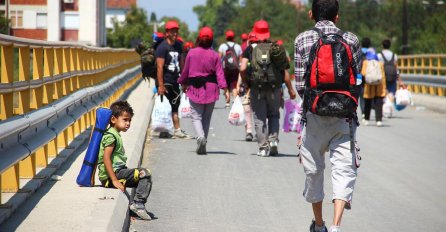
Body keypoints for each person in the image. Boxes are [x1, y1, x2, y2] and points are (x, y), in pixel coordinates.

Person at [294, 1, 362, 231]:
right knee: (343, 169)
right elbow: (356, 80)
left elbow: (300, 85)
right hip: (345, 116)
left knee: (314, 169)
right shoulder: (351, 40)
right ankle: (336, 226)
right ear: (337, 17)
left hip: (314, 116)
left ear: (311, 14)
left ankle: (320, 224)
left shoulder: (302, 39)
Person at [240, 20, 296, 157]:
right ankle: (273, 141)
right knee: (274, 115)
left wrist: (246, 82)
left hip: (256, 88)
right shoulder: (275, 48)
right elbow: (284, 72)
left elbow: (242, 68)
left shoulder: (250, 49)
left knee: (259, 118)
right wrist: (290, 90)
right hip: (274, 88)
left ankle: (263, 148)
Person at [97, 101, 152, 220]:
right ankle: (138, 204)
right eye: (125, 120)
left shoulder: (115, 134)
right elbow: (106, 159)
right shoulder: (110, 136)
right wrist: (115, 180)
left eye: (129, 120)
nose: (128, 123)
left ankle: (136, 204)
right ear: (113, 119)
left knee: (142, 179)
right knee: (144, 173)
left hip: (118, 172)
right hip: (111, 176)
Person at [178, 27, 229, 154]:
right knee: (206, 118)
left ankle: (200, 138)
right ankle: (203, 140)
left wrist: (183, 83)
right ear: (211, 40)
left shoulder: (192, 53)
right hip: (211, 89)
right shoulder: (215, 55)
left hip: (195, 88)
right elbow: (220, 74)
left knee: (196, 116)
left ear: (199, 39)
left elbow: (186, 71)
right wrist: (225, 89)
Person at [155, 20, 191, 139]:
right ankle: (164, 129)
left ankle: (176, 130)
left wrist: (184, 81)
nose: (175, 33)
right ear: (167, 33)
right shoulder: (162, 48)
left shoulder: (178, 46)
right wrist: (160, 85)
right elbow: (160, 67)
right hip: (165, 81)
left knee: (175, 105)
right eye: (173, 31)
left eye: (176, 31)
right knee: (165, 106)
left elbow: (182, 64)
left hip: (176, 81)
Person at [362, 48, 387, 127]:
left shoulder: (366, 62)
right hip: (379, 86)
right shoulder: (380, 63)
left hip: (368, 85)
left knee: (367, 102)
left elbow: (363, 73)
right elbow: (383, 76)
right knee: (378, 103)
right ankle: (378, 120)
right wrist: (384, 87)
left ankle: (366, 119)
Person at [218, 29, 243, 108]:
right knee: (234, 85)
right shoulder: (238, 46)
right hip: (235, 69)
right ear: (233, 37)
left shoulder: (222, 46)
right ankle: (235, 101)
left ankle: (227, 103)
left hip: (226, 69)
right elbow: (240, 59)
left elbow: (219, 58)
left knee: (226, 85)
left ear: (226, 37)